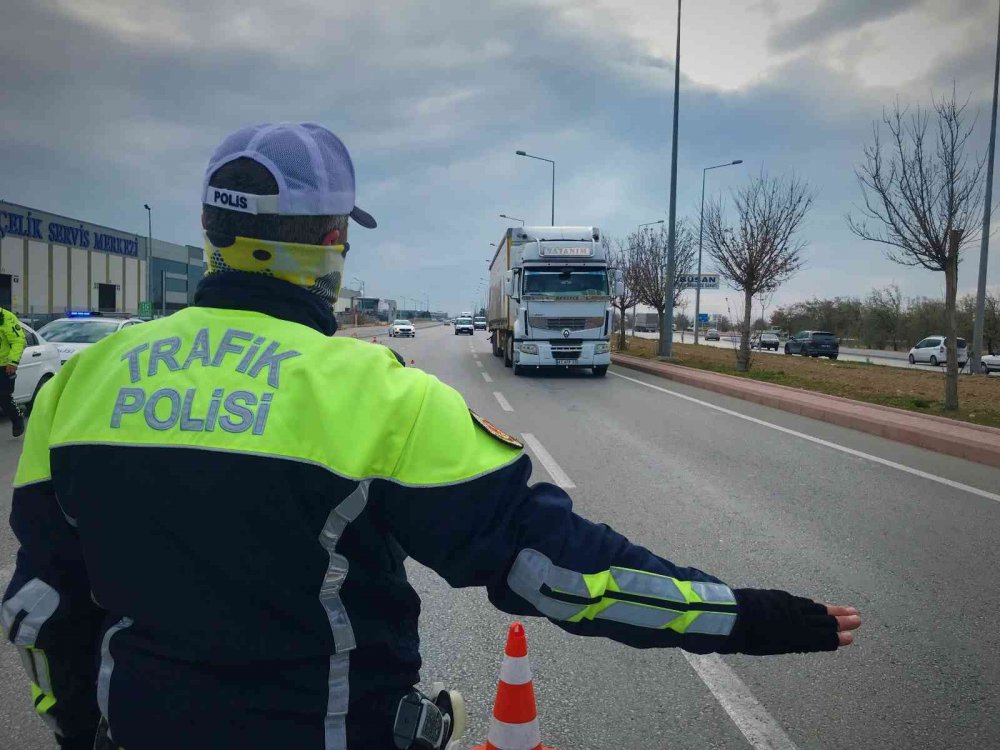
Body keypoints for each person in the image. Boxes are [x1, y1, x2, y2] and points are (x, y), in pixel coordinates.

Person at [2, 123, 861, 750]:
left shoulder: (83, 381)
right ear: (333, 243)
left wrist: (83, 730)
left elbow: (41, 611)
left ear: (214, 235)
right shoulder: (378, 397)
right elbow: (566, 577)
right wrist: (753, 617)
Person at [0, 306, 26, 437]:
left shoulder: (6, 318)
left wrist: (13, 362)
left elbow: (18, 341)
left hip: (4, 365)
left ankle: (17, 419)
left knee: (4, 397)